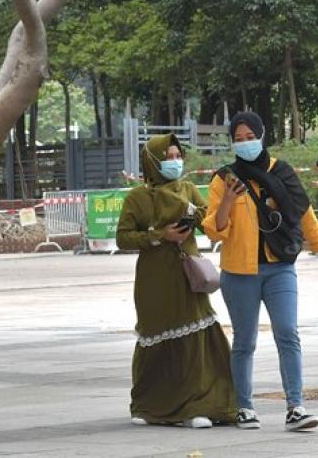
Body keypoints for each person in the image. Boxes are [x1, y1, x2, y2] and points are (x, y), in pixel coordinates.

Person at [203, 112, 318, 432]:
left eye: (249, 136)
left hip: (280, 267)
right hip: (239, 273)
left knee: (287, 332)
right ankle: (244, 407)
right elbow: (215, 231)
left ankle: (295, 407)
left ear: (262, 135)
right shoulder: (223, 178)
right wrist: (228, 199)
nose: (245, 143)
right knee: (244, 341)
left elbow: (304, 215)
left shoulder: (281, 171)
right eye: (237, 139)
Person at [116, 134, 236, 429]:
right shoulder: (137, 198)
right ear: (154, 162)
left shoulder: (189, 189)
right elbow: (123, 237)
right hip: (155, 278)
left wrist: (212, 210)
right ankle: (149, 404)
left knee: (196, 333)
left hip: (187, 273)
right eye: (168, 156)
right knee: (156, 335)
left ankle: (197, 404)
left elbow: (210, 224)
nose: (175, 161)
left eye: (177, 155)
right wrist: (160, 235)